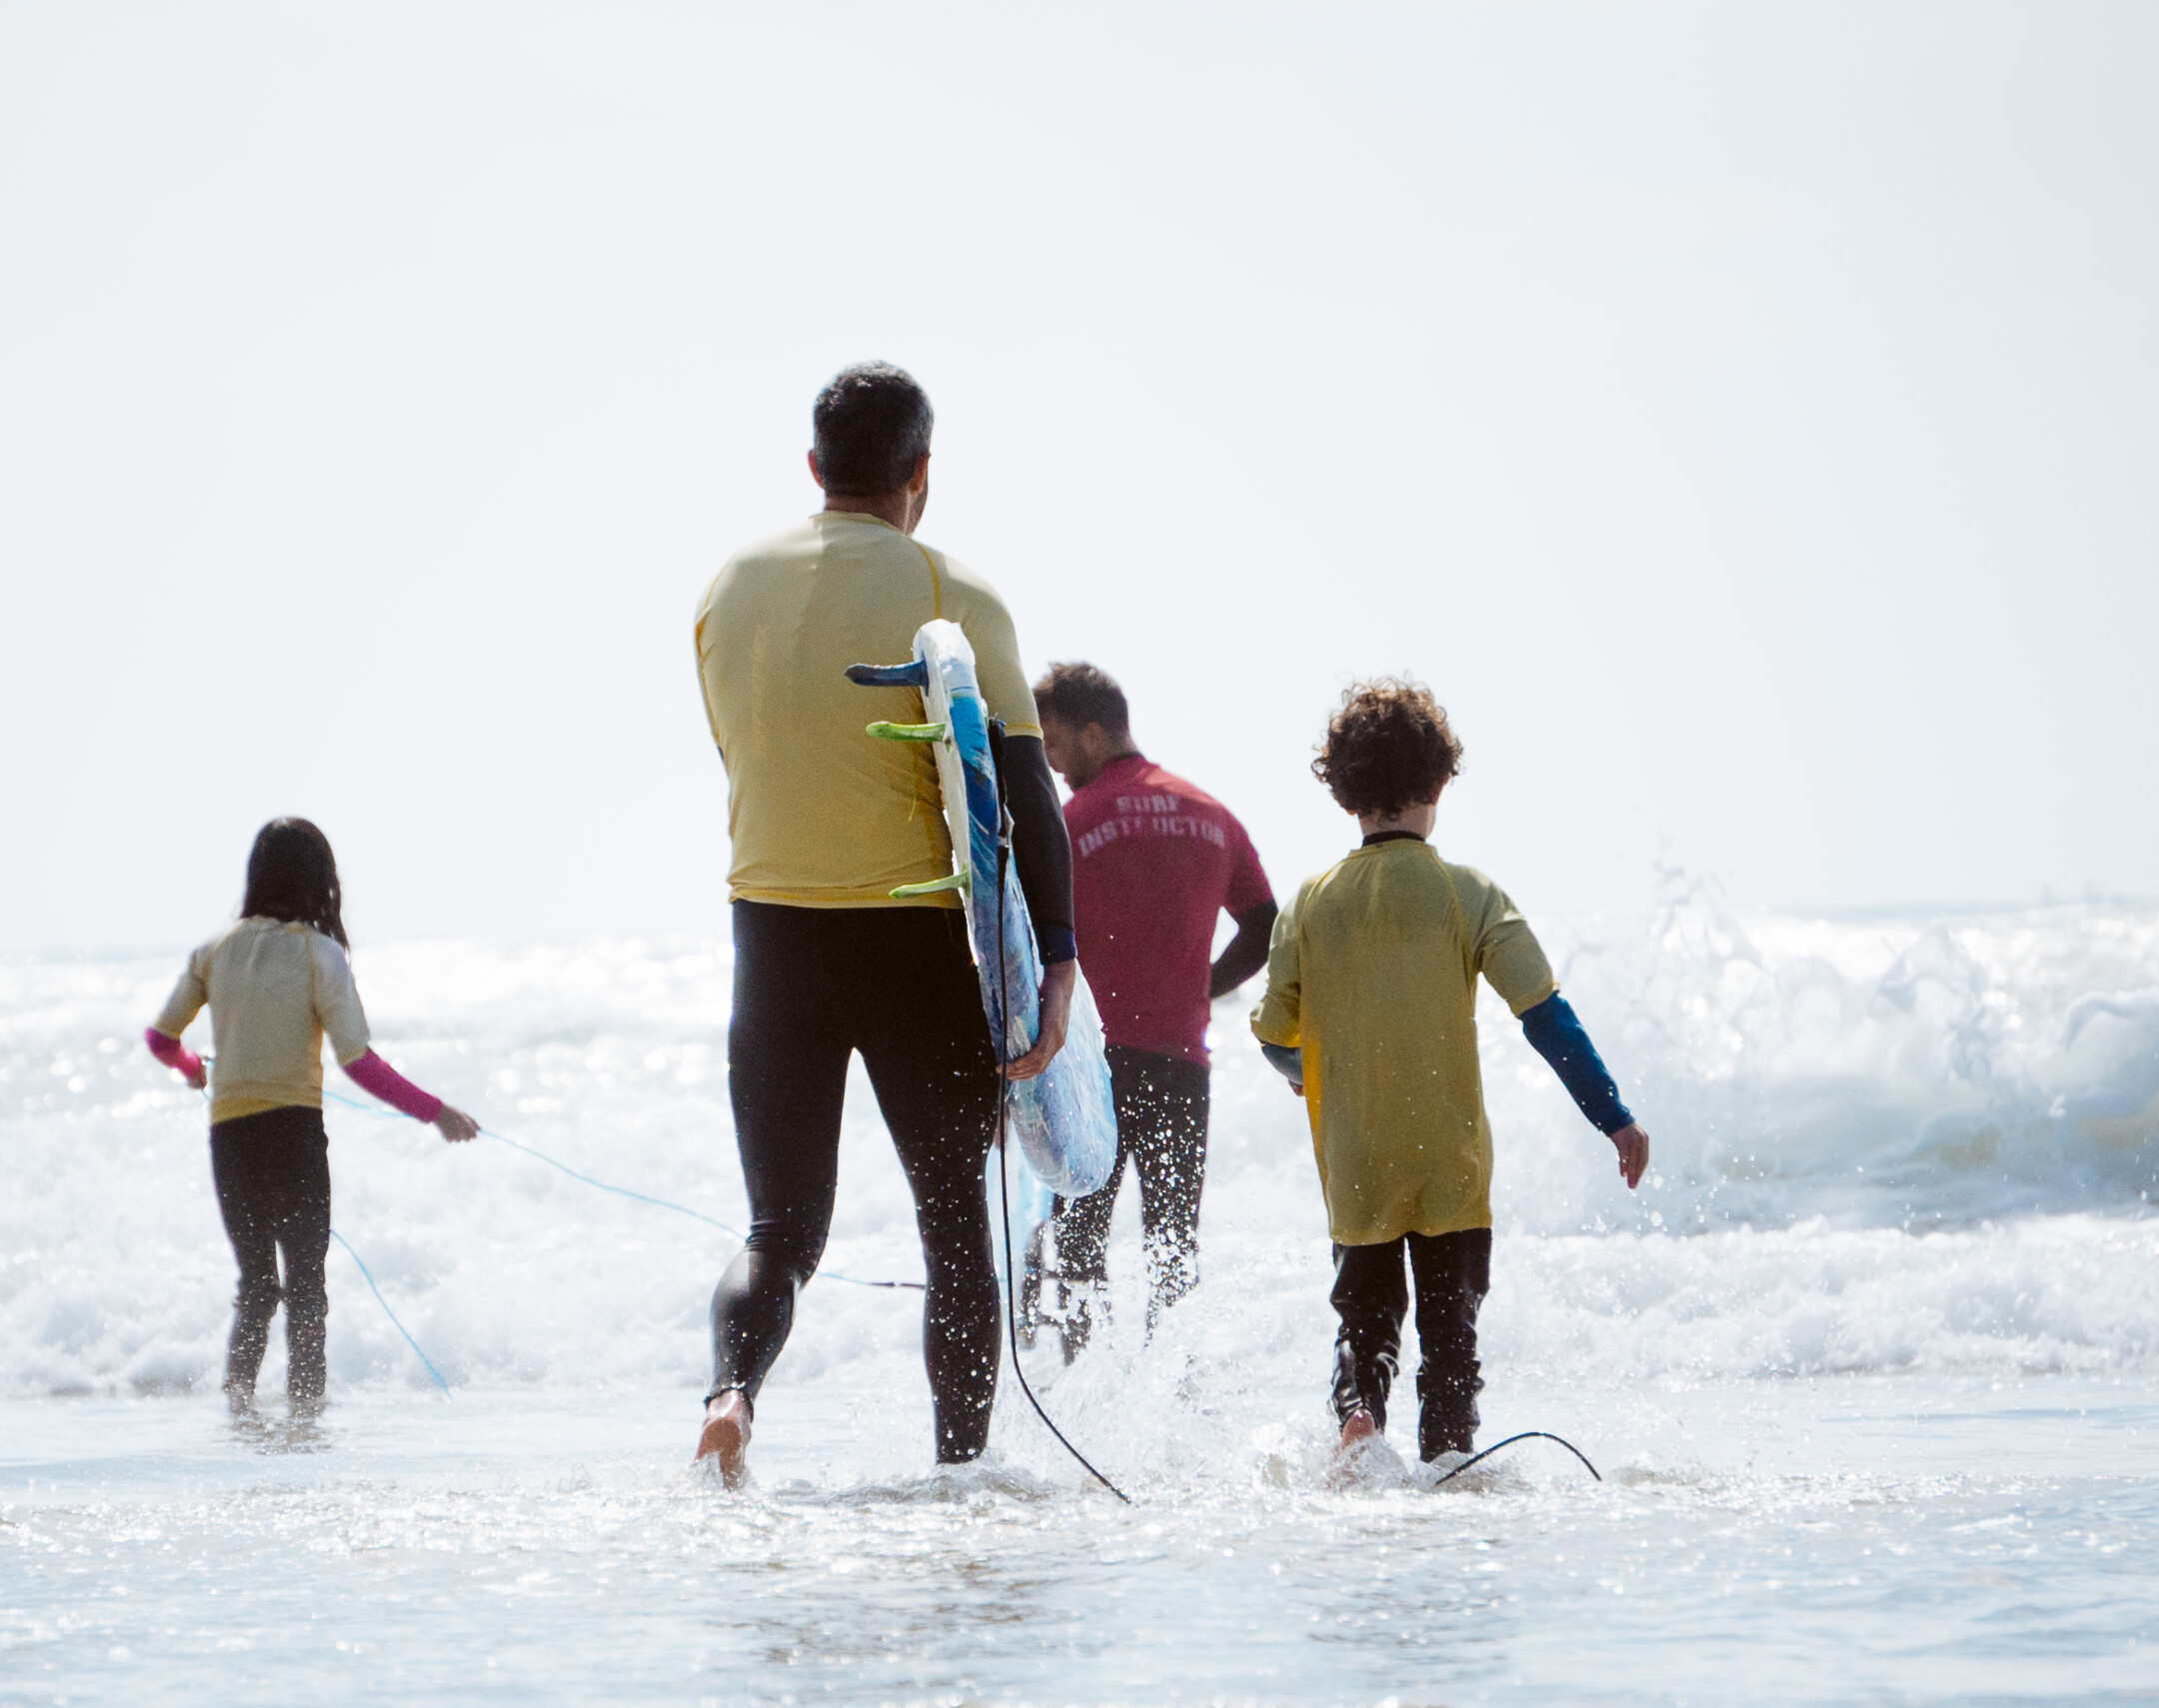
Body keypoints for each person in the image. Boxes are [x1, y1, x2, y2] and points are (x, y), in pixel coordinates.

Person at [689, 362, 1078, 1486]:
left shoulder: (728, 585)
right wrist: (1055, 960)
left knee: (779, 1231)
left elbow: (741, 746)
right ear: (920, 476)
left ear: (814, 468)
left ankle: (729, 1397)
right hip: (914, 949)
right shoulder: (949, 585)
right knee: (957, 1226)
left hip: (772, 945)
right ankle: (960, 1472)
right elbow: (1023, 790)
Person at [1249, 681, 1651, 1464]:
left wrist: (1306, 1071)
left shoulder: (1310, 901)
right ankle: (1447, 1470)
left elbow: (1271, 1031)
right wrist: (1613, 1115)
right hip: (1451, 1165)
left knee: (1363, 1322)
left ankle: (1360, 1416)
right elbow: (1546, 1016)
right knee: (1451, 1341)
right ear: (1438, 783)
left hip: (1356, 1161)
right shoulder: (1468, 893)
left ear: (1344, 792)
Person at [145, 818, 480, 1415]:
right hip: (294, 1137)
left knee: (256, 1284)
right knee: (305, 1287)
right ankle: (306, 1412)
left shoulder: (213, 951)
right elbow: (358, 1063)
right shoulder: (319, 953)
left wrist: (195, 1068)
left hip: (231, 1137)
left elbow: (160, 1038)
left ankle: (238, 1407)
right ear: (321, 881)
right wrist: (436, 1111)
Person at [1030, 662, 1277, 1358]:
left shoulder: (1070, 823)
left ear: (1095, 731)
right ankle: (1173, 1402)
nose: (1049, 759)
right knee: (1173, 1244)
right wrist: (1203, 989)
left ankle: (1083, 1391)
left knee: (1079, 1238)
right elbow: (1263, 923)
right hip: (1182, 1067)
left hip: (1093, 1071)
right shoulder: (1210, 813)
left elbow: (1026, 946)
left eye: (1054, 741)